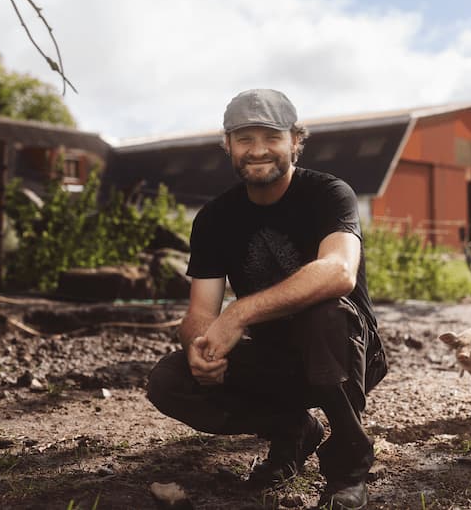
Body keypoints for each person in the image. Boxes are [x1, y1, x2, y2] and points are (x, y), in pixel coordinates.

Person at [146, 88, 387, 509]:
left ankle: (347, 469)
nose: (258, 151)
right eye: (244, 139)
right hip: (276, 361)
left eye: (271, 138)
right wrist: (201, 347)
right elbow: (200, 313)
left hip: (347, 353)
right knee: (170, 380)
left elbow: (339, 271)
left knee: (324, 314)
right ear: (227, 146)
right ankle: (294, 429)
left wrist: (238, 313)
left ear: (296, 141)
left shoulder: (329, 194)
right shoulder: (215, 218)